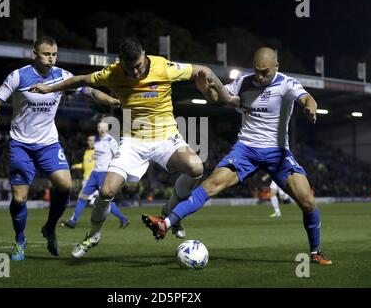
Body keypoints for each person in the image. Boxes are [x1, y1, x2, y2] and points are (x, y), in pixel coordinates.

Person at [30, 37, 237, 258]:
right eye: (130, 68)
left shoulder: (163, 67)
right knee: (106, 191)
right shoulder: (113, 72)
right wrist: (48, 88)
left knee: (196, 168)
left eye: (139, 65)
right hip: (133, 141)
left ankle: (169, 212)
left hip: (166, 136)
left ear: (145, 55)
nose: (136, 72)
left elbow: (203, 70)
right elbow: (80, 80)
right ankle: (93, 235)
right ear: (121, 63)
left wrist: (229, 98)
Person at [142, 47, 332, 265]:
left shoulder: (287, 84)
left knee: (307, 201)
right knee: (210, 185)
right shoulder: (243, 82)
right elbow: (218, 98)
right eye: (257, 71)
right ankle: (165, 223)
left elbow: (308, 99)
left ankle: (315, 252)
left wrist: (310, 108)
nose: (260, 77)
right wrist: (205, 90)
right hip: (246, 149)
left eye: (265, 72)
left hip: (277, 152)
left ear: (277, 67)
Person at [0, 36, 120, 261]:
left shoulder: (62, 76)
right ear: (34, 54)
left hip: (48, 143)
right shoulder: (18, 76)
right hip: (21, 144)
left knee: (65, 186)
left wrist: (111, 100)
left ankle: (49, 227)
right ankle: (20, 240)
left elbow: (90, 91)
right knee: (19, 199)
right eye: (46, 54)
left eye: (54, 54)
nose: (51, 58)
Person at [61, 122, 129, 229]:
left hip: (103, 174)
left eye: (104, 128)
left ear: (107, 129)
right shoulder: (96, 140)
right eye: (100, 127)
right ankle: (73, 221)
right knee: (83, 197)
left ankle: (123, 219)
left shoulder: (111, 141)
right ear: (97, 129)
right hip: (94, 174)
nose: (102, 129)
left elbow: (117, 156)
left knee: (105, 201)